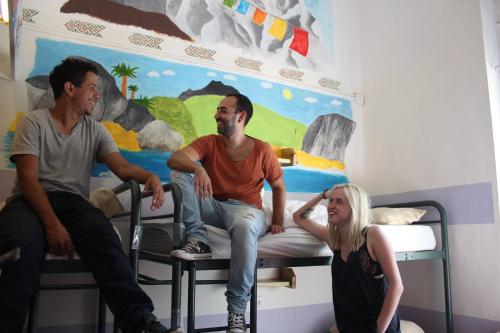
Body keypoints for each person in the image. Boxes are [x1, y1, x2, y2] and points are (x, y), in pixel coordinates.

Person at [0, 58, 168, 333]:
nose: (97, 95)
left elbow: (122, 167)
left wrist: (148, 176)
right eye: (92, 87)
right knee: (23, 248)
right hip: (29, 200)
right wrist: (52, 225)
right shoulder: (33, 122)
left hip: (73, 204)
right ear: (70, 88)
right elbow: (28, 179)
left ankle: (142, 323)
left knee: (106, 241)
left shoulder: (96, 129)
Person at [167, 93, 286, 333]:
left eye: (223, 110)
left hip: (246, 211)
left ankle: (237, 311)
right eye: (217, 109)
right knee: (180, 174)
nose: (216, 114)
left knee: (244, 227)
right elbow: (175, 159)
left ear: (240, 117)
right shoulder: (209, 142)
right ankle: (198, 239)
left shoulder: (263, 150)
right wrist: (197, 168)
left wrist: (277, 221)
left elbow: (278, 187)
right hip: (213, 206)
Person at [292, 184, 403, 333]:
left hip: (377, 327)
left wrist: (379, 330)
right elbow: (299, 217)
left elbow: (397, 286)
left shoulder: (373, 235)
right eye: (331, 201)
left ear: (354, 207)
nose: (331, 206)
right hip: (348, 327)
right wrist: (323, 195)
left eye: (339, 202)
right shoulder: (334, 240)